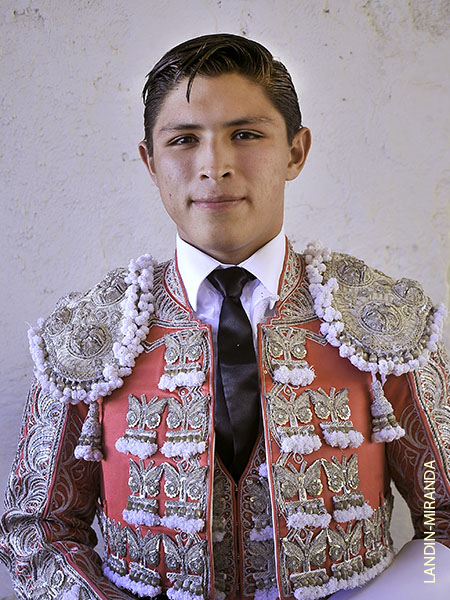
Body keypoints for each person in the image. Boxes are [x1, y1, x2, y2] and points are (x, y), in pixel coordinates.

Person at [1, 33, 449, 600]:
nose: (214, 166)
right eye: (184, 140)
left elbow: (442, 510)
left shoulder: (381, 320)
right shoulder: (88, 335)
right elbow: (38, 530)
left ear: (295, 151)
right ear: (150, 161)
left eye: (245, 134)